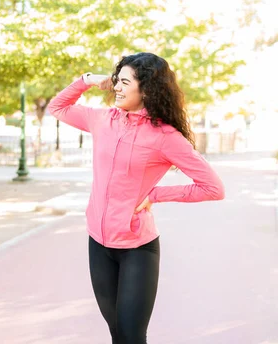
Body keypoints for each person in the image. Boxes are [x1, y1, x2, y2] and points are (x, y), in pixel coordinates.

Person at [48, 52, 225, 344]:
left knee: (131, 335)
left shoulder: (165, 136)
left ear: (147, 88)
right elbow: (57, 107)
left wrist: (155, 194)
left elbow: (213, 187)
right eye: (117, 80)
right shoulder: (102, 120)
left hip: (137, 249)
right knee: (116, 331)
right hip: (98, 243)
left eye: (125, 82)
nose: (117, 86)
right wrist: (88, 81)